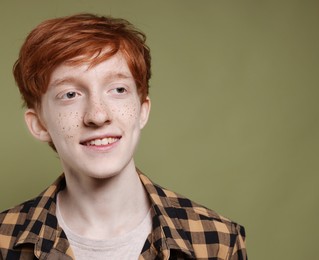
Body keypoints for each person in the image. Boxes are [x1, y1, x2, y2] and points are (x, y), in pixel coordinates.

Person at [0, 13, 247, 260]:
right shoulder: (4, 241)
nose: (98, 115)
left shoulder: (218, 241)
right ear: (39, 124)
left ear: (143, 110)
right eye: (70, 95)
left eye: (118, 89)